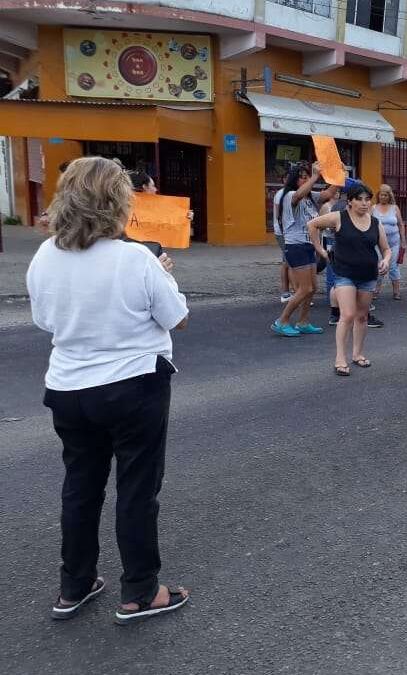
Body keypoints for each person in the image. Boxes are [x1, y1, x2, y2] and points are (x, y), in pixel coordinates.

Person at [27, 157, 191, 625]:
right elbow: (176, 316)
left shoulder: (44, 256)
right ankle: (140, 591)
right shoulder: (136, 258)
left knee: (80, 487)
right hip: (133, 385)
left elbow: (44, 320)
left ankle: (74, 585)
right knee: (137, 488)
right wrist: (165, 272)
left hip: (68, 388)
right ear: (117, 201)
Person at [308, 182, 392, 376]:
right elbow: (312, 225)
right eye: (359, 199)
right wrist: (320, 250)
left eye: (367, 199)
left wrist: (386, 261)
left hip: (368, 275)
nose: (364, 203)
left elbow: (386, 249)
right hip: (344, 273)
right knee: (347, 314)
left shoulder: (375, 223)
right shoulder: (339, 217)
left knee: (362, 316)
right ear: (350, 201)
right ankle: (340, 358)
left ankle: (358, 354)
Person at [272, 162, 334, 337]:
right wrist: (315, 176)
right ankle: (282, 321)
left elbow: (328, 193)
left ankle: (303, 321)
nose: (305, 179)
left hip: (308, 245)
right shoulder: (288, 195)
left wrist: (338, 175)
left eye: (307, 176)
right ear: (293, 179)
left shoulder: (310, 196)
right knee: (304, 288)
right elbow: (299, 194)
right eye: (302, 177)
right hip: (295, 245)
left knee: (313, 287)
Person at [373, 184, 405, 302]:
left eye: (386, 195)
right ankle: (376, 291)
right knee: (379, 266)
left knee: (393, 267)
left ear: (389, 196)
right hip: (378, 243)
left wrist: (403, 242)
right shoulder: (373, 208)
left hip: (394, 243)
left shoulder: (395, 208)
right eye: (381, 194)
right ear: (378, 195)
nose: (383, 197)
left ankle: (396, 291)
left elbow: (401, 225)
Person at [271, 175, 292, 304]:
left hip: (290, 233)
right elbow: (280, 216)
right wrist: (285, 232)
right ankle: (286, 292)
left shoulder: (293, 193)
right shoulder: (281, 194)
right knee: (288, 261)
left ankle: (295, 291)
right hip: (284, 233)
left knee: (290, 261)